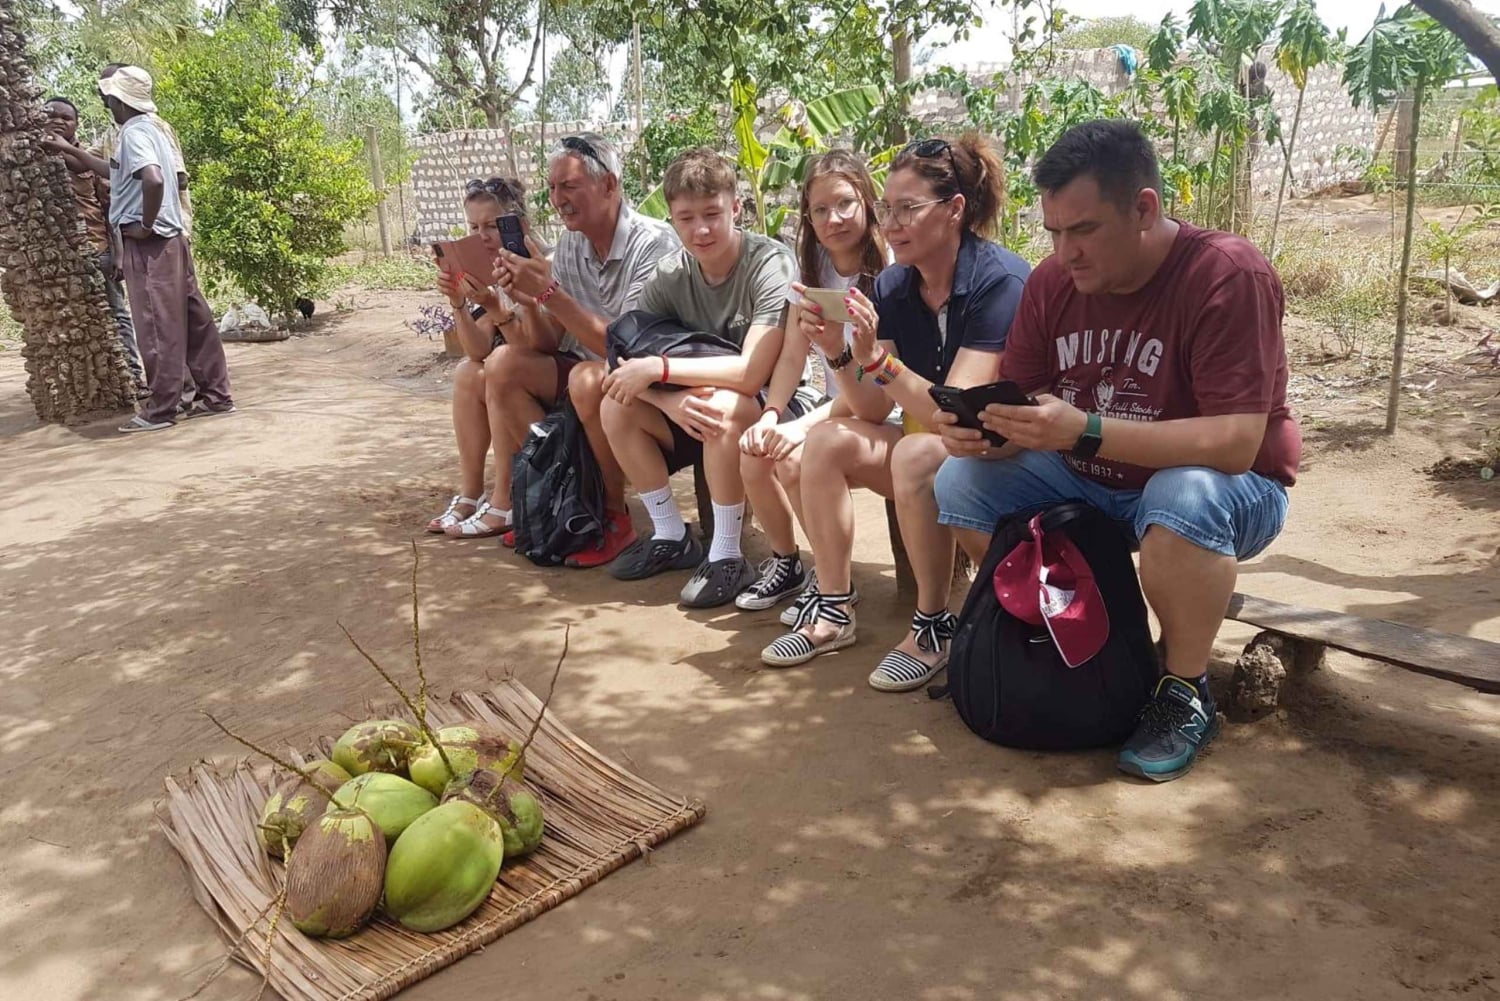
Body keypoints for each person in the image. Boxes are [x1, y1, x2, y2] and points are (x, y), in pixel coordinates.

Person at [931, 119, 1300, 782]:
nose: (1064, 252)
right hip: (1091, 478)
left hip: (1232, 490)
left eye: (1083, 230)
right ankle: (1068, 637)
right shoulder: (1053, 283)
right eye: (1053, 231)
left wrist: (1085, 430)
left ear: (1144, 209)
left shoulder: (1226, 274)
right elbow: (1034, 410)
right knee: (961, 482)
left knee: (1180, 494)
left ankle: (1184, 689)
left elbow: (1236, 443)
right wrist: (985, 436)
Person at [758, 135, 1029, 689]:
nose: (893, 224)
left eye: (908, 208)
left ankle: (932, 625)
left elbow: (955, 413)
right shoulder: (894, 284)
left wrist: (879, 363)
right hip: (930, 445)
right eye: (888, 209)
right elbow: (872, 405)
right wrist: (839, 350)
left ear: (954, 210)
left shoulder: (999, 281)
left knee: (915, 453)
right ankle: (834, 606)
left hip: (999, 454)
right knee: (827, 440)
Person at [599, 146, 795, 608]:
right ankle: (670, 534)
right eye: (686, 218)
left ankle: (727, 554)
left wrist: (661, 369)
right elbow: (620, 357)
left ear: (736, 208)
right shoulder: (671, 274)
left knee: (721, 406)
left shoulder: (770, 262)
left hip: (775, 407)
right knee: (615, 403)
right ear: (671, 219)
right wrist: (668, 400)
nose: (700, 229)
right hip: (695, 408)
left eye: (712, 214)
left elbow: (751, 374)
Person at [489, 133, 680, 564]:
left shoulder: (654, 244)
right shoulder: (571, 245)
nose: (557, 199)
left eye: (569, 186)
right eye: (552, 187)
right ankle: (562, 500)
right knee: (503, 365)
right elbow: (548, 342)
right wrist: (528, 300)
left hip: (645, 381)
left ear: (609, 185)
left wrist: (549, 292)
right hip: (587, 377)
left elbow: (627, 350)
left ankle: (612, 517)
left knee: (588, 378)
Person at [734, 150, 888, 615]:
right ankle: (794, 565)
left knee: (795, 455)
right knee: (758, 449)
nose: (833, 219)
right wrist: (771, 414)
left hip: (884, 409)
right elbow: (791, 354)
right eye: (820, 209)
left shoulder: (891, 270)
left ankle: (831, 579)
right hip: (839, 407)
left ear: (867, 202)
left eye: (844, 204)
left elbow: (878, 392)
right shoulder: (812, 268)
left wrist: (800, 427)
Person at [101, 66, 233, 433]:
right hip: (174, 238)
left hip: (151, 242)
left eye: (109, 97)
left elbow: (154, 179)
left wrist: (145, 224)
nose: (107, 103)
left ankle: (161, 410)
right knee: (194, 320)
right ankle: (216, 396)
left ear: (119, 100)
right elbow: (142, 175)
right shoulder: (156, 129)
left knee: (156, 324)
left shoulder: (133, 133)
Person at [425, 176, 534, 536]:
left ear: (517, 225)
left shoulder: (537, 264)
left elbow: (532, 347)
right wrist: (458, 302)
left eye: (492, 226)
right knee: (468, 371)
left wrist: (495, 305)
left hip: (547, 377)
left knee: (498, 367)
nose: (482, 236)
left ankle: (505, 498)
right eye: (474, 227)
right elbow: (476, 350)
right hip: (511, 374)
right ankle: (471, 493)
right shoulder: (487, 270)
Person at [42, 96, 145, 393]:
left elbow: (111, 209)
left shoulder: (89, 160)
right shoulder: (28, 160)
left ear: (76, 124)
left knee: (117, 314)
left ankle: (133, 377)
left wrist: (119, 254)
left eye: (66, 118)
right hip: (52, 260)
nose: (58, 121)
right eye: (51, 115)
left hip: (97, 249)